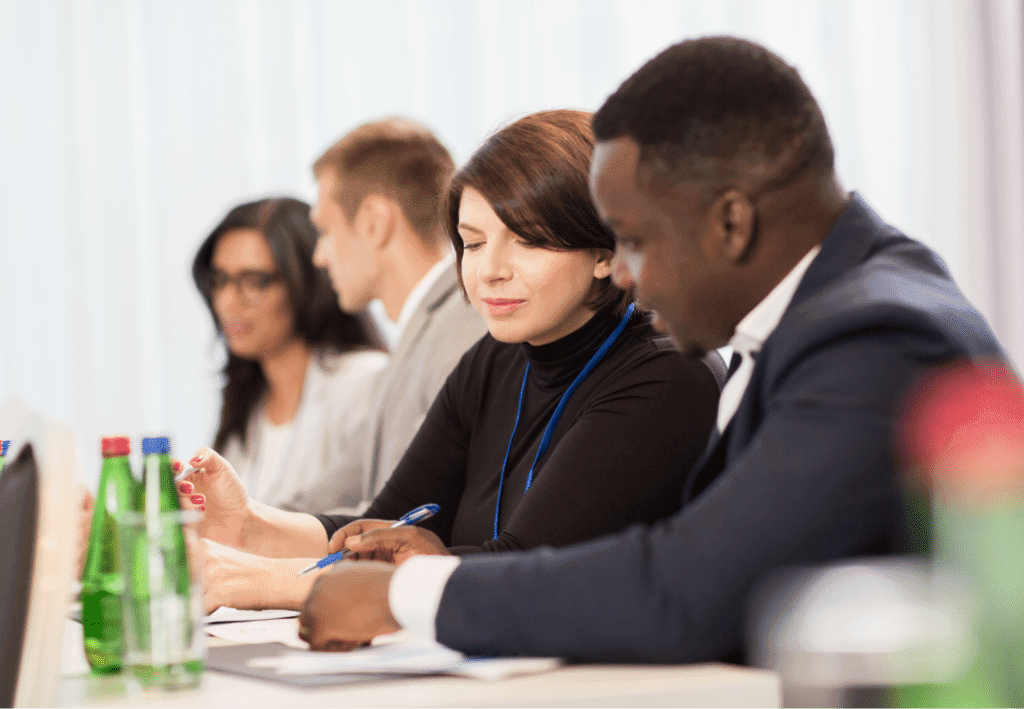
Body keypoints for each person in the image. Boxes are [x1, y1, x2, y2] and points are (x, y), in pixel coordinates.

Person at [296, 37, 1008, 662]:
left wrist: (409, 593)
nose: (623, 274)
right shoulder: (836, 308)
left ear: (729, 224)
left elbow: (687, 586)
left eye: (634, 240)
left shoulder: (872, 341)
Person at [180, 109, 724, 612]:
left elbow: (522, 568)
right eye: (474, 243)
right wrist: (249, 525)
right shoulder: (496, 357)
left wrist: (258, 581)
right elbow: (389, 521)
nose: (490, 271)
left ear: (605, 253)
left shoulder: (666, 376)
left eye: (526, 242)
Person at [309, 118, 488, 503]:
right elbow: (339, 490)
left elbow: (420, 509)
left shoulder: (463, 327)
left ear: (374, 223)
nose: (319, 256)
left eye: (325, 230)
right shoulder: (420, 333)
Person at [192, 197, 387, 513]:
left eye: (254, 282)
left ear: (306, 282)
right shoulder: (248, 402)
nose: (227, 301)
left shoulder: (364, 381)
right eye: (220, 280)